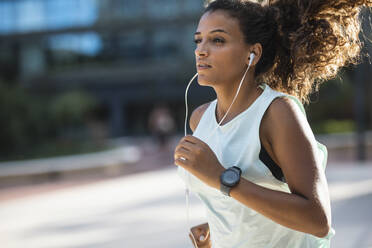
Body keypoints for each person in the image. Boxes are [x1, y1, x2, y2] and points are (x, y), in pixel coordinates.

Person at [174, 0, 372, 247]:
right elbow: (237, 204)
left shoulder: (276, 112)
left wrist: (221, 177)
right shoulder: (200, 118)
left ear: (252, 53)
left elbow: (317, 220)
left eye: (217, 41)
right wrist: (220, 230)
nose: (201, 50)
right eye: (198, 40)